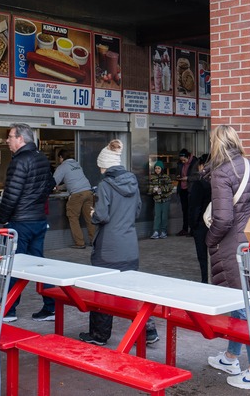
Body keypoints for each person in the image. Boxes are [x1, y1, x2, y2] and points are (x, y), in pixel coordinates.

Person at [204, 125, 250, 392]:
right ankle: (231, 357)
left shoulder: (221, 173)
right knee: (241, 301)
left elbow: (223, 218)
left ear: (216, 144)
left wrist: (210, 240)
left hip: (232, 246)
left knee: (247, 308)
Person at [78, 139, 159, 346]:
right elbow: (137, 211)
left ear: (105, 165)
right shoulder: (132, 181)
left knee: (103, 291)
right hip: (130, 246)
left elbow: (103, 216)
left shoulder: (105, 184)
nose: (100, 169)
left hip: (108, 247)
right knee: (132, 289)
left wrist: (94, 213)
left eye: (100, 166)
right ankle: (149, 331)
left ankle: (99, 335)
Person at [0, 123, 56, 322]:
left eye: (11, 136)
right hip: (38, 220)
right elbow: (51, 184)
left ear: (21, 139)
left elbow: (11, 195)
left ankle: (8, 310)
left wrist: (2, 217)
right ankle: (51, 307)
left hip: (20, 222)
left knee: (14, 265)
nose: (8, 140)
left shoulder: (19, 161)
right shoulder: (41, 158)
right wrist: (36, 200)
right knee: (39, 264)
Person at [53, 149, 95, 249]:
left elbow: (53, 181)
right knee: (90, 218)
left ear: (61, 157)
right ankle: (94, 241)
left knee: (73, 217)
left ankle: (80, 243)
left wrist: (52, 187)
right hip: (88, 192)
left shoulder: (62, 166)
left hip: (77, 195)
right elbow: (73, 180)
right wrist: (61, 187)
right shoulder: (76, 164)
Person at [188, 154, 211, 283]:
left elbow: (194, 207)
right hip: (217, 225)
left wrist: (193, 225)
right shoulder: (219, 181)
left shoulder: (200, 184)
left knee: (203, 258)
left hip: (202, 226)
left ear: (202, 165)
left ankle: (206, 282)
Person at [176, 148, 199, 236]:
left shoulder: (195, 162)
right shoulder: (180, 163)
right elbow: (177, 173)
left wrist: (188, 178)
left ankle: (192, 230)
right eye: (181, 160)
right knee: (184, 210)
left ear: (188, 157)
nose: (183, 162)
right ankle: (184, 229)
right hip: (182, 189)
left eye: (184, 160)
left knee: (191, 210)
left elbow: (198, 176)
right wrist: (178, 176)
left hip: (191, 189)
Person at [148, 160, 172, 239]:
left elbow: (170, 187)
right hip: (157, 200)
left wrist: (161, 189)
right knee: (157, 216)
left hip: (165, 199)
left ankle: (163, 231)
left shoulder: (166, 177)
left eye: (159, 168)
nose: (157, 170)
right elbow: (150, 188)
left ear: (162, 169)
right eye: (156, 168)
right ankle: (156, 231)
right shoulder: (153, 178)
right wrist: (153, 190)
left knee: (164, 216)